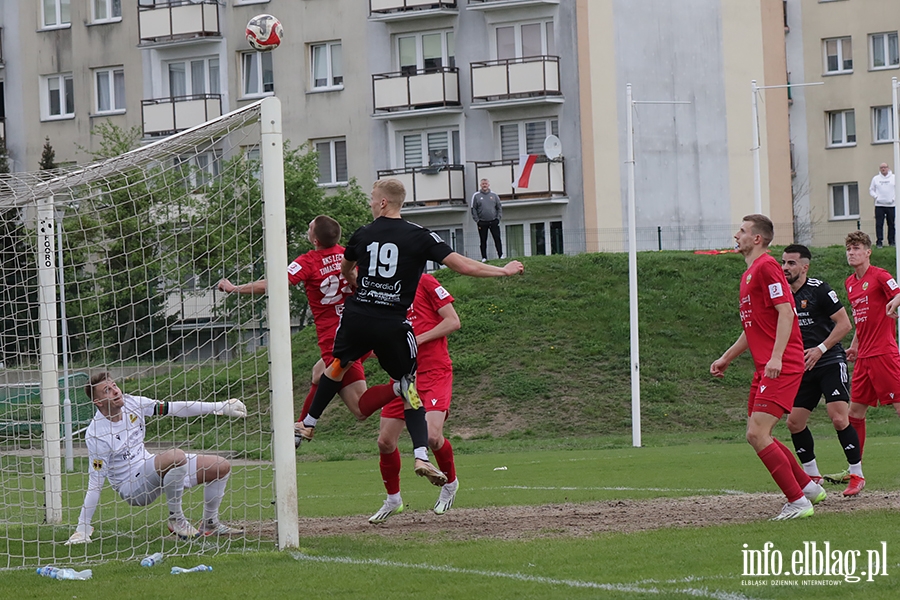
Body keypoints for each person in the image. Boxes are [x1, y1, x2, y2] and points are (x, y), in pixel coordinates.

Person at [295, 178, 523, 487]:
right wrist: (503, 270)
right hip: (391, 322)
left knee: (336, 364)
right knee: (406, 384)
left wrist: (356, 282)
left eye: (373, 198)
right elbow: (463, 266)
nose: (371, 203)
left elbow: (346, 269)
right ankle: (420, 455)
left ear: (384, 203)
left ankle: (308, 423)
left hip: (358, 316)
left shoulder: (362, 234)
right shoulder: (419, 236)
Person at [710, 214, 826, 520]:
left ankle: (798, 502)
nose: (737, 235)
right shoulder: (749, 274)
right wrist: (726, 357)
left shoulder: (767, 266)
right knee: (758, 433)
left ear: (757, 239)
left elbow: (786, 313)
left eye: (743, 231)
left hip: (781, 364)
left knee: (757, 433)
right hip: (766, 366)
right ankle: (808, 488)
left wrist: (776, 357)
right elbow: (754, 328)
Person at [218, 216, 368, 439]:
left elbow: (274, 284)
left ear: (315, 240)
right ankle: (301, 427)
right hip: (361, 329)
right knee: (319, 374)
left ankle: (397, 391)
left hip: (336, 338)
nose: (307, 229)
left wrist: (234, 288)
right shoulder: (349, 254)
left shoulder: (309, 261)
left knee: (360, 409)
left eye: (309, 227)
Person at [66, 372, 247, 544]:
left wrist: (220, 407)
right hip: (132, 487)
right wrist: (82, 527)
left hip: (151, 468)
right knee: (176, 456)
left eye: (114, 385)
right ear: (98, 402)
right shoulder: (97, 434)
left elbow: (174, 408)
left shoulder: (132, 403)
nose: (115, 390)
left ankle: (210, 523)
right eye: (107, 390)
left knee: (220, 466)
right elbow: (95, 483)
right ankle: (176, 519)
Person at [367, 273, 461, 524]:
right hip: (403, 375)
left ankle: (450, 483)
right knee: (385, 442)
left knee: (431, 435)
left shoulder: (425, 282)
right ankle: (393, 500)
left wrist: (415, 341)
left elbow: (453, 321)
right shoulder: (383, 290)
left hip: (434, 372)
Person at [780, 244, 861, 495]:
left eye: (791, 263)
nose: (785, 268)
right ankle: (812, 475)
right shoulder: (781, 295)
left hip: (828, 360)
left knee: (838, 418)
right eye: (783, 262)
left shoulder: (819, 289)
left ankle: (856, 474)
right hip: (802, 365)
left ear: (805, 266)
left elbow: (845, 324)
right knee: (794, 422)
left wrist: (820, 349)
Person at [826, 231, 900, 495]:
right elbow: (861, 320)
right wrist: (855, 346)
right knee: (854, 414)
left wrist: (894, 303)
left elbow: (898, 293)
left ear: (868, 252)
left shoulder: (880, 276)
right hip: (865, 357)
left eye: (856, 248)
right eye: (848, 248)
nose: (851, 253)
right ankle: (855, 471)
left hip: (884, 354)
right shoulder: (850, 283)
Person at [471, 178, 503, 262]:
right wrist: (477, 220)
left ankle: (500, 255)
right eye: (483, 184)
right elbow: (473, 209)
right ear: (480, 185)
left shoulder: (494, 195)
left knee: (497, 238)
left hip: (493, 221)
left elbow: (499, 207)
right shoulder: (476, 196)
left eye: (486, 184)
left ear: (488, 185)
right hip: (482, 222)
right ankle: (484, 257)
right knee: (483, 240)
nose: (484, 185)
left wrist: (498, 218)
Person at [869, 163, 895, 249]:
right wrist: (876, 197)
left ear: (888, 168)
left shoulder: (894, 178)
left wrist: (893, 199)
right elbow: (871, 190)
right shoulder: (876, 179)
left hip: (891, 205)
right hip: (879, 205)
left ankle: (892, 241)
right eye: (881, 168)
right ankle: (879, 242)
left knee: (891, 224)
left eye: (885, 167)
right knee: (879, 224)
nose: (883, 169)